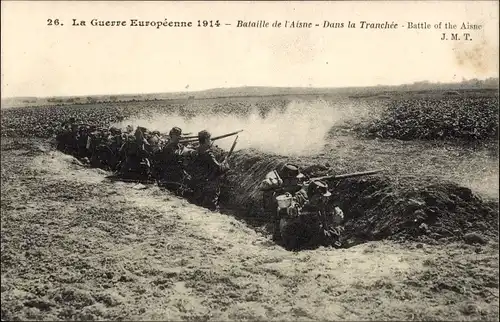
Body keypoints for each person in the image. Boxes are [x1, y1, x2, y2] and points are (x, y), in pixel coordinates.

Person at [279, 180, 344, 250]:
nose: (324, 199)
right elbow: (324, 235)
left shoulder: (315, 204)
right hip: (297, 243)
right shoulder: (306, 210)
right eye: (321, 197)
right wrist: (336, 225)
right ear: (315, 196)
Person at [259, 163, 307, 241]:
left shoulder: (290, 187)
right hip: (282, 222)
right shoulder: (276, 193)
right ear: (288, 179)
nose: (298, 180)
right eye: (296, 179)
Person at [187, 130, 230, 211]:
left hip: (197, 183)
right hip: (208, 185)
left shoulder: (196, 151)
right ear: (206, 140)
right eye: (209, 139)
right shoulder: (208, 154)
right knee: (211, 205)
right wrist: (225, 164)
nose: (210, 141)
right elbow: (219, 169)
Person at [155, 127, 194, 192]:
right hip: (169, 175)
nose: (180, 137)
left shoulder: (177, 145)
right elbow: (174, 156)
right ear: (172, 135)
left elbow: (184, 149)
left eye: (180, 134)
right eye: (178, 135)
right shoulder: (168, 146)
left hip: (177, 173)